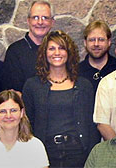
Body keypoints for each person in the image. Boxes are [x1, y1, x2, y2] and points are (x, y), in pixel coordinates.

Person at [22, 30, 100, 167]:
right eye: (52, 48)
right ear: (44, 54)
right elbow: (27, 124)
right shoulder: (32, 86)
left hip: (78, 153)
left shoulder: (84, 85)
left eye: (61, 48)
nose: (56, 53)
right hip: (44, 153)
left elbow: (91, 125)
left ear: (69, 53)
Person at [2, 0, 54, 92]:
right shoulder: (14, 51)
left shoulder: (59, 52)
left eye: (45, 18)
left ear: (52, 22)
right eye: (35, 17)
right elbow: (13, 91)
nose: (40, 22)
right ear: (28, 21)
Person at [78, 20, 116, 91]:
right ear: (85, 43)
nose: (96, 44)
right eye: (92, 40)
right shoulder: (77, 72)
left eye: (101, 39)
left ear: (109, 42)